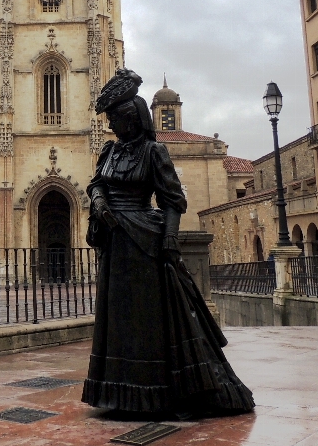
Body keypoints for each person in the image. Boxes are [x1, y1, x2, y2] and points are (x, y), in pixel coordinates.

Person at [82, 68, 254, 418]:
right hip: (115, 244)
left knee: (147, 319)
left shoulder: (153, 152)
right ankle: (119, 392)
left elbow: (173, 201)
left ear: (131, 119)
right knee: (118, 319)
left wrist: (170, 241)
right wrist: (99, 202)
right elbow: (97, 184)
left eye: (115, 118)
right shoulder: (110, 152)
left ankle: (155, 393)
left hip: (144, 242)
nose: (111, 124)